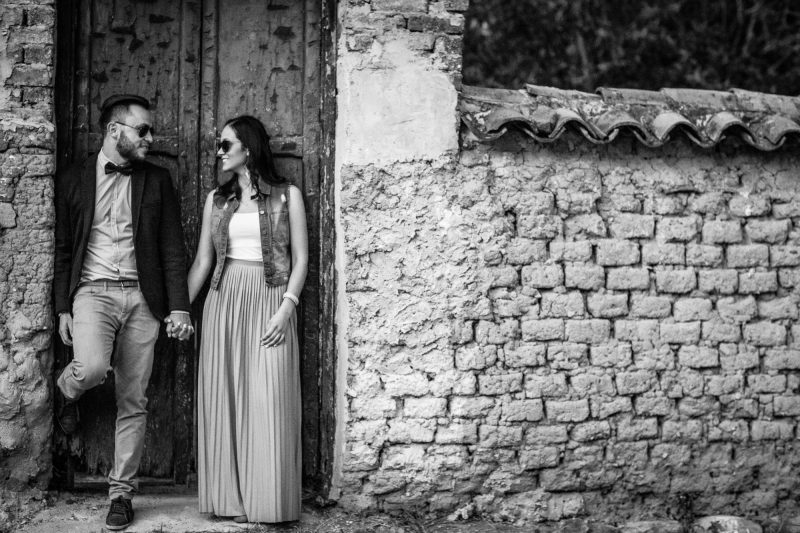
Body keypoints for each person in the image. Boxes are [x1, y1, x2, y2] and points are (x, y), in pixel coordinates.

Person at [53, 94, 194, 531]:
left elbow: (172, 248)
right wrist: (61, 306)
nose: (151, 137)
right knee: (91, 368)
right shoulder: (74, 178)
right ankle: (66, 389)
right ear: (115, 131)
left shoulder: (157, 180)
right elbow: (61, 249)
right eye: (143, 130)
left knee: (133, 399)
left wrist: (178, 307)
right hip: (92, 292)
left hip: (142, 299)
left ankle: (121, 494)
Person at [187, 115, 307, 523]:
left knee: (268, 395)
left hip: (271, 298)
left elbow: (300, 259)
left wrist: (287, 306)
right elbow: (204, 261)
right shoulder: (216, 200)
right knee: (227, 394)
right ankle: (230, 502)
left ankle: (267, 502)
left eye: (225, 145)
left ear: (248, 150)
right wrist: (179, 309)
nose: (219, 152)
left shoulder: (287, 196)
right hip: (224, 298)